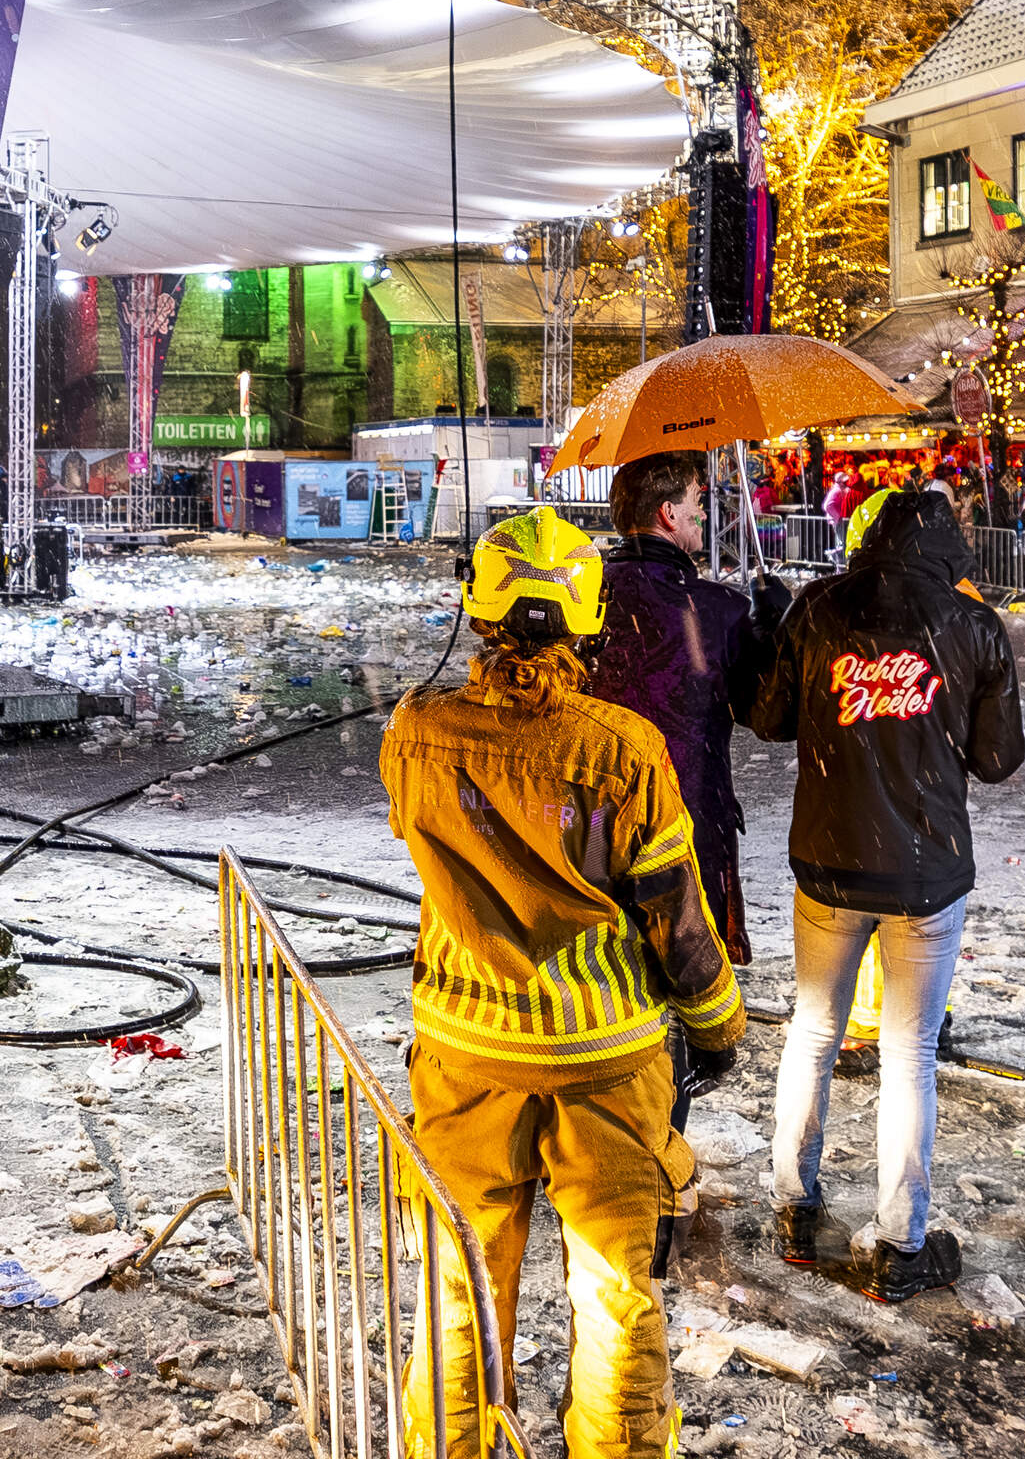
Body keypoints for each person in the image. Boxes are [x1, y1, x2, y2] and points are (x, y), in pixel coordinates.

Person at [389, 506, 742, 1459]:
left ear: (478, 614)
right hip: (606, 1061)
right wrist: (718, 1029)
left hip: (467, 1055)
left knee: (460, 1284)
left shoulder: (413, 731)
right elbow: (677, 916)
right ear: (588, 624)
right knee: (617, 1289)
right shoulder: (624, 747)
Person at [750, 488, 1022, 1301]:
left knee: (813, 1031)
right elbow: (999, 759)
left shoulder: (818, 608)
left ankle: (794, 1206)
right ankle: (902, 1242)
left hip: (829, 863)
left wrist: (776, 635)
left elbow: (769, 719)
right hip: (926, 873)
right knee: (909, 1054)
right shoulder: (972, 623)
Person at [581, 449, 769, 961]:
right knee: (689, 962)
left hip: (593, 819)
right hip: (687, 821)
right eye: (696, 502)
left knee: (601, 954)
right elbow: (766, 714)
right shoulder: (718, 609)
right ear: (668, 513)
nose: (703, 513)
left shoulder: (581, 599)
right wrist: (774, 633)